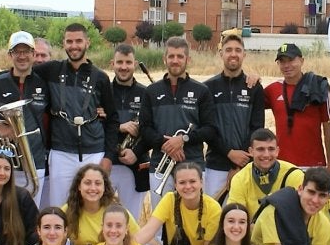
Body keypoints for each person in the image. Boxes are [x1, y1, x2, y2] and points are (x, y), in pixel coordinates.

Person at [31, 23, 118, 208]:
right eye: (69, 41)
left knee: (93, 207)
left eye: (78, 41)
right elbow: (21, 71)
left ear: (88, 42)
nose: (74, 45)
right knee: (59, 207)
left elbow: (112, 120)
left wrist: (109, 157)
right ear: (63, 43)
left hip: (94, 152)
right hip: (61, 152)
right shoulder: (52, 70)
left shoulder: (101, 78)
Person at [0, 30, 49, 203]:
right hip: (4, 164)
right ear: (10, 55)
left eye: (26, 51)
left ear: (33, 54)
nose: (21, 56)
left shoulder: (44, 83)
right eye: (17, 52)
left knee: (31, 213)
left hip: (36, 162)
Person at [142, 36, 215, 199]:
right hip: (159, 167)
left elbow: (210, 129)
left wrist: (183, 140)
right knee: (160, 221)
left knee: (192, 221)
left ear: (187, 59)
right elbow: (144, 128)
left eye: (180, 56)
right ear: (164, 59)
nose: (175, 61)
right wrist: (166, 145)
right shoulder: (151, 91)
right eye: (171, 56)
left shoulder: (201, 91)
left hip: (193, 166)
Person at [134, 160, 220, 245]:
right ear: (175, 185)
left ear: (201, 182)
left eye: (192, 181)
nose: (188, 187)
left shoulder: (213, 209)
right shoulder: (170, 199)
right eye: (182, 182)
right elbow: (147, 232)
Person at [201, 32, 265, 200]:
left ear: (244, 54)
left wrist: (240, 162)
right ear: (221, 53)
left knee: (242, 218)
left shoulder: (254, 88)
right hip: (216, 164)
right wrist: (229, 153)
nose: (233, 54)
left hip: (246, 166)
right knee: (214, 219)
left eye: (238, 50)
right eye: (228, 50)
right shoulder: (207, 88)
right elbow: (208, 129)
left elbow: (257, 128)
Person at [263, 42, 330, 168]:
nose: (287, 65)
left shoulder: (318, 87)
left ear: (302, 60)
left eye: (291, 60)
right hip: (281, 166)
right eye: (282, 61)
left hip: (313, 165)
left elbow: (329, 129)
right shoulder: (273, 90)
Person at [108, 43, 152, 211]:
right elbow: (95, 126)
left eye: (128, 62)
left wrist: (137, 152)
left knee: (132, 220)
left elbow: (152, 130)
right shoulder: (103, 91)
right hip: (107, 163)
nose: (124, 67)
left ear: (135, 64)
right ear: (112, 64)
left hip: (136, 164)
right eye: (119, 62)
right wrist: (120, 127)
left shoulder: (147, 93)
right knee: (100, 220)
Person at [223, 128, 303, 212]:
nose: (266, 154)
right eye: (260, 149)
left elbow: (300, 214)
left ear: (277, 151)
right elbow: (235, 214)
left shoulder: (294, 174)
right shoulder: (240, 178)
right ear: (251, 151)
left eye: (271, 149)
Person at [64, 162, 136, 245]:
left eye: (98, 183)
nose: (93, 188)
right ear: (79, 186)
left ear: (104, 187)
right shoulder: (68, 209)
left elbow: (138, 236)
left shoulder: (116, 211)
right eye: (87, 183)